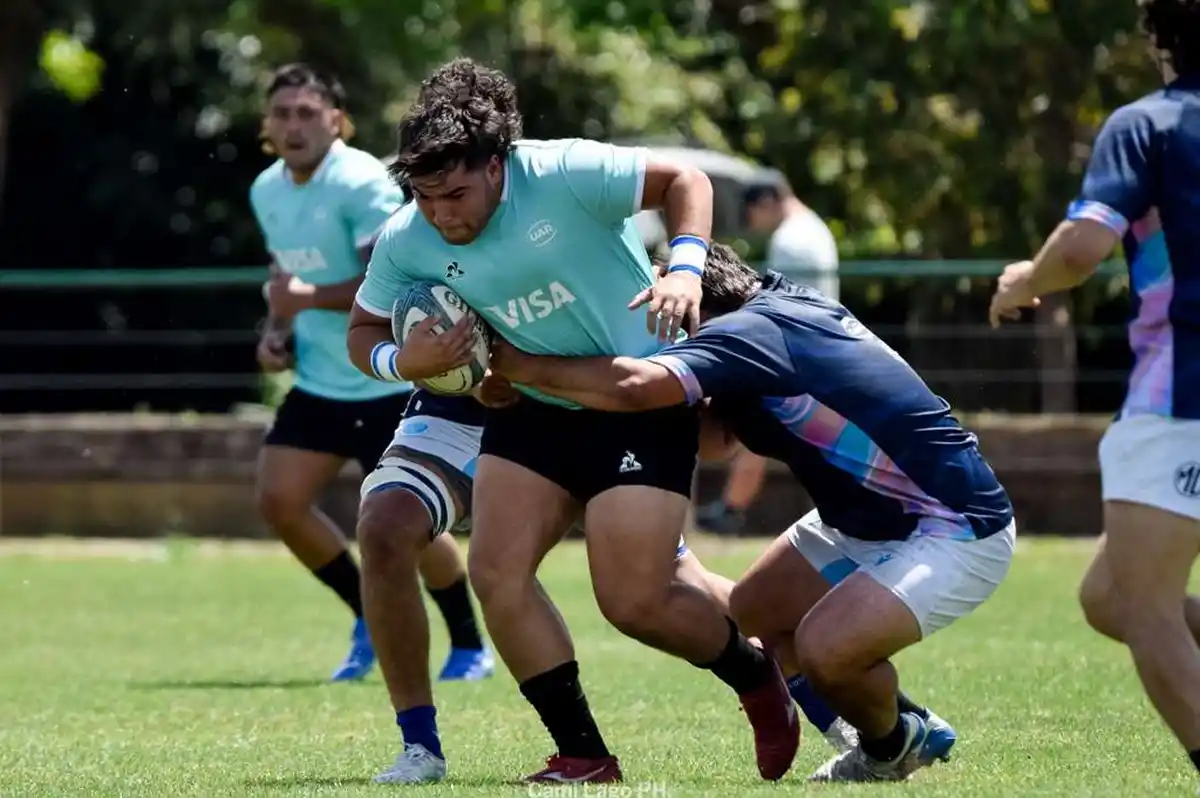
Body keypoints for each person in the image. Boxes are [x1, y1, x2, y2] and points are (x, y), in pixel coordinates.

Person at [348, 58, 797, 785]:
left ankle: (753, 673)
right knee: (497, 575)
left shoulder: (560, 171)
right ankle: (584, 756)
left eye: (456, 193)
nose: (443, 215)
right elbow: (363, 330)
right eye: (426, 198)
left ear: (498, 166)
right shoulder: (411, 235)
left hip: (638, 398)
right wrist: (406, 360)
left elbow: (687, 182)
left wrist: (683, 266)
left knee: (633, 601)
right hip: (535, 408)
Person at [490, 242, 1015, 782]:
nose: (653, 325)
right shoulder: (772, 307)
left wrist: (519, 364)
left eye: (656, 307)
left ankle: (888, 746)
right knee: (753, 611)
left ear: (691, 296)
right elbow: (718, 441)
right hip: (860, 522)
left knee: (825, 649)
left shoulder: (750, 333)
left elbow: (635, 385)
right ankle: (903, 719)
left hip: (954, 525)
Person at [988, 0, 1200, 780]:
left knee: (1145, 609)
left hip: (1183, 394)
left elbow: (1083, 246)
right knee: (1108, 596)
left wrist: (1024, 280)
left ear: (1156, 34)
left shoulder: (1149, 124)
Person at [249, 63, 490, 685]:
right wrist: (276, 333)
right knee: (279, 500)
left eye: (308, 112)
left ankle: (468, 644)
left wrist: (303, 300)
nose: (294, 125)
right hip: (323, 381)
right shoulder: (266, 191)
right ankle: (369, 615)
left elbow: (382, 286)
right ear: (266, 125)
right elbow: (285, 282)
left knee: (407, 519)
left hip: (390, 376)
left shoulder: (360, 183)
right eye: (283, 113)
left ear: (337, 119)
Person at [695, 182, 839, 535]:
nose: (752, 223)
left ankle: (732, 508)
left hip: (796, 348)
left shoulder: (790, 240)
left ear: (767, 202)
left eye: (751, 213)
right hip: (822, 343)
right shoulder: (815, 228)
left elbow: (772, 303)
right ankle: (734, 506)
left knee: (763, 424)